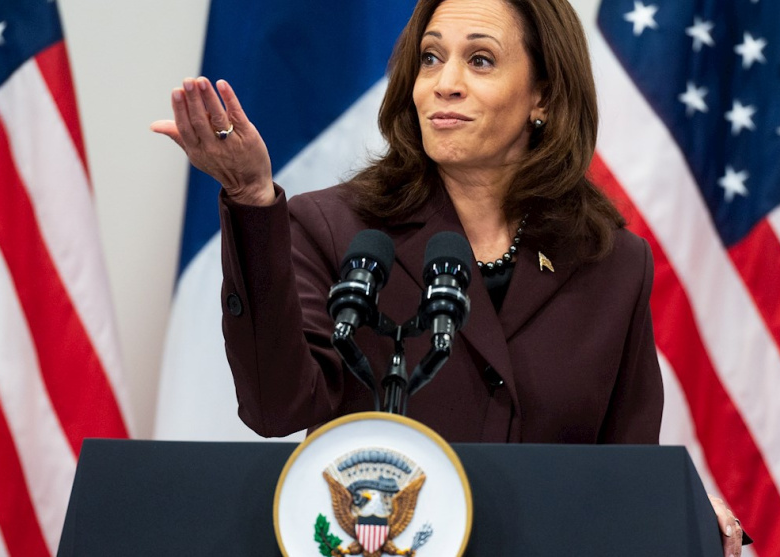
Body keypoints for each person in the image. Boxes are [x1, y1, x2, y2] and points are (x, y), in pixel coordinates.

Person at [152, 0, 745, 554]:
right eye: (431, 57)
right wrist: (252, 200)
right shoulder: (334, 229)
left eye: (480, 60)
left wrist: (681, 513)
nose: (445, 82)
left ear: (543, 95)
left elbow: (626, 469)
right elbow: (276, 408)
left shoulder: (610, 262)